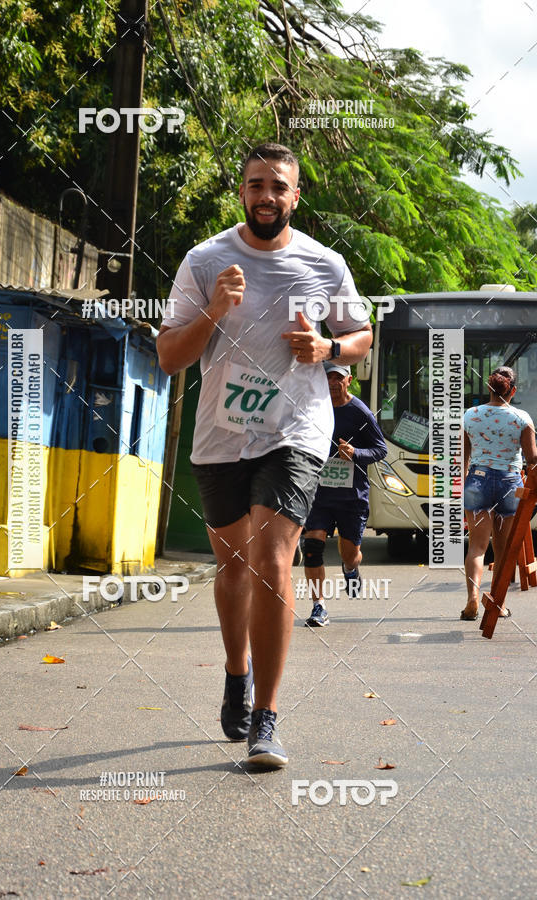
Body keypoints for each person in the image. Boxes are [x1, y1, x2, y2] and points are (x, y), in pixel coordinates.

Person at [156, 142, 372, 768]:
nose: (266, 197)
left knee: (273, 560)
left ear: (295, 196)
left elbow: (359, 334)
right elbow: (171, 357)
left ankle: (267, 719)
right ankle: (235, 671)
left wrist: (328, 351)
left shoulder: (324, 264)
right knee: (233, 570)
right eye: (255, 185)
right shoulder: (206, 261)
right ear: (242, 192)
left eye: (278, 187)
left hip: (296, 430)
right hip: (222, 437)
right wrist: (215, 313)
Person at [301, 362, 387, 626]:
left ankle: (350, 569)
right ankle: (319, 606)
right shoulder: (314, 407)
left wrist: (356, 454)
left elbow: (380, 449)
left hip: (351, 496)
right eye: (328, 378)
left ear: (349, 380)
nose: (333, 383)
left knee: (350, 553)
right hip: (319, 493)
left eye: (339, 378)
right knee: (312, 547)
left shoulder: (359, 412)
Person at [460, 366, 537, 621]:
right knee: (502, 549)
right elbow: (531, 458)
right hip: (509, 483)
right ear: (512, 390)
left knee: (477, 547)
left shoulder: (470, 415)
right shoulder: (522, 418)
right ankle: (497, 604)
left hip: (477, 482)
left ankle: (472, 597)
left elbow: (464, 456)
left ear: (489, 389)